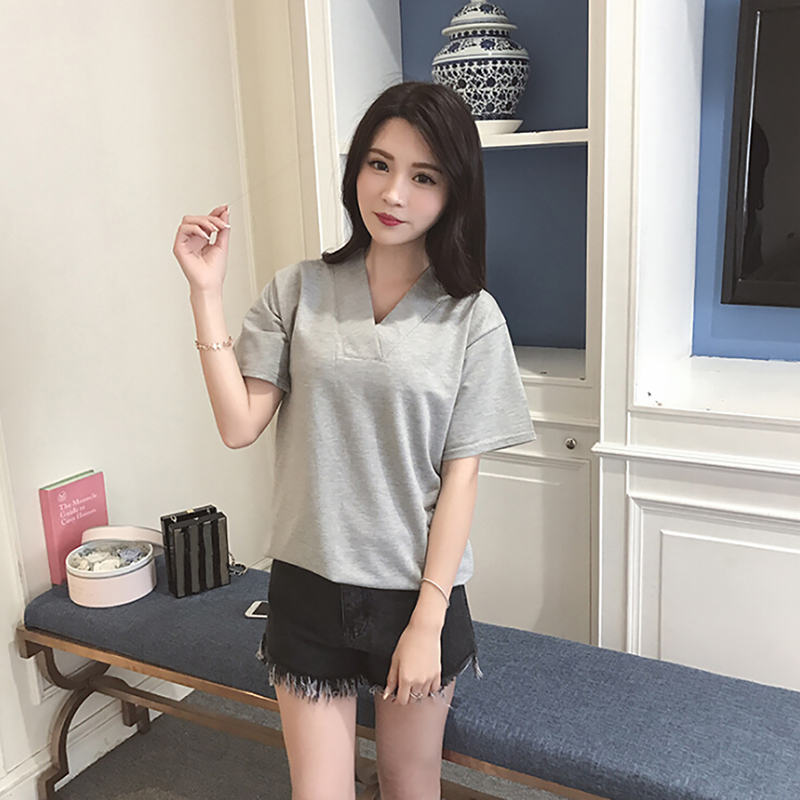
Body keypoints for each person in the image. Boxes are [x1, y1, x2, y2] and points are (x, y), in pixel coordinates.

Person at [172, 80, 535, 800]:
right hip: (308, 583)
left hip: (414, 591)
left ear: (454, 192)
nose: (393, 193)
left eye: (423, 176)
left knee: (408, 782)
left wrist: (428, 620)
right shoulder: (297, 290)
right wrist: (204, 292)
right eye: (379, 164)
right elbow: (239, 425)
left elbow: (460, 478)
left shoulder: (471, 317)